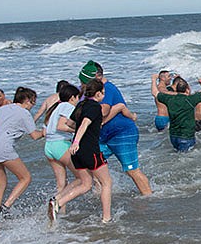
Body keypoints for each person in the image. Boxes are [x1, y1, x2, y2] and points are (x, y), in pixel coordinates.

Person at [48, 79, 112, 223]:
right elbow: (85, 123)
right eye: (103, 93)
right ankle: (106, 218)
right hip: (89, 150)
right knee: (107, 182)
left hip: (77, 153)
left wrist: (76, 138)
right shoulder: (96, 107)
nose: (104, 95)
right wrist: (77, 141)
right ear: (98, 93)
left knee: (86, 183)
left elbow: (70, 123)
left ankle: (58, 203)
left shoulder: (80, 105)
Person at [90, 62, 152, 196]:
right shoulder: (91, 90)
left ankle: (149, 198)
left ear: (98, 76)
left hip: (121, 133)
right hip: (102, 137)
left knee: (132, 171)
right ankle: (99, 197)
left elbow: (103, 111)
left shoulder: (108, 89)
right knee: (93, 167)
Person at [0, 87, 45, 215]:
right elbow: (34, 136)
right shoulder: (24, 113)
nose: (32, 106)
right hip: (4, 148)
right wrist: (45, 132)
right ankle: (6, 206)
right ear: (27, 100)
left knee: (1, 183)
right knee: (25, 177)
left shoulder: (3, 109)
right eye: (33, 102)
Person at [157, 71, 201, 152]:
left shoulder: (171, 99)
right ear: (187, 89)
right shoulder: (191, 99)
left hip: (174, 135)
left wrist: (154, 80)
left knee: (178, 153)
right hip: (190, 134)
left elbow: (156, 92)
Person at [42, 84, 82, 205]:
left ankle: (59, 213)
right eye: (78, 98)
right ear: (72, 98)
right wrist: (78, 131)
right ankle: (56, 200)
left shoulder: (57, 107)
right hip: (60, 145)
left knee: (61, 184)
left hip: (49, 146)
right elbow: (61, 126)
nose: (78, 100)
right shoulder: (67, 106)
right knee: (82, 178)